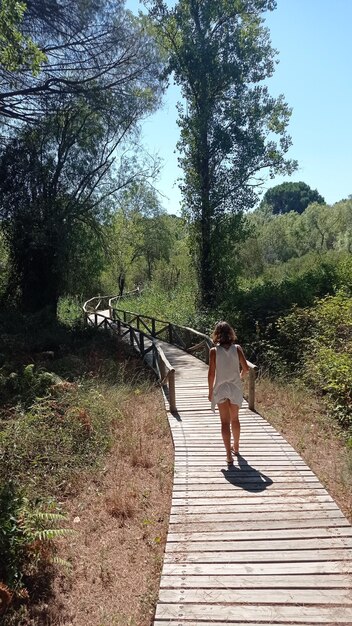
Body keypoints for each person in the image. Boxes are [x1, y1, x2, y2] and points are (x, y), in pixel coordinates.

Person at [208, 321, 249, 465]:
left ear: (216, 334)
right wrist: (239, 377)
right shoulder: (237, 349)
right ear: (231, 333)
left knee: (224, 422)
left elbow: (211, 374)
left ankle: (228, 456)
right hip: (235, 388)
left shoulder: (213, 351)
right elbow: (246, 369)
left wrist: (210, 391)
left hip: (220, 389)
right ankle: (236, 447)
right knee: (235, 419)